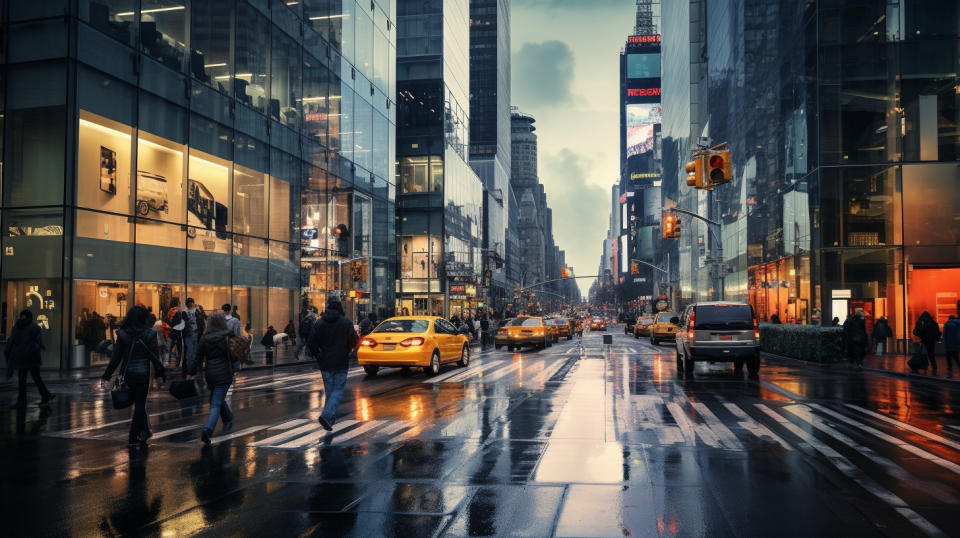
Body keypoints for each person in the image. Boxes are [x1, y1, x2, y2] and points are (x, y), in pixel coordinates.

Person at [101, 306, 165, 445]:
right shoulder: (149, 334)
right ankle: (134, 435)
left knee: (137, 404)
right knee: (140, 404)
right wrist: (160, 374)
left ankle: (143, 431)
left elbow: (116, 358)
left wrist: (106, 376)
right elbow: (154, 357)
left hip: (128, 374)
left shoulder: (123, 334)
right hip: (143, 374)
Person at [307, 296, 359, 431]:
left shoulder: (319, 323)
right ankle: (327, 415)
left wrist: (318, 355)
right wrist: (350, 349)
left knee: (330, 391)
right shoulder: (345, 323)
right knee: (337, 390)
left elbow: (311, 341)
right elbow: (354, 340)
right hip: (341, 360)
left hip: (325, 362)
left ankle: (329, 419)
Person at [187, 311, 234, 445]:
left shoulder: (204, 338)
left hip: (210, 373)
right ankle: (208, 429)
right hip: (225, 372)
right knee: (215, 403)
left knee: (216, 397)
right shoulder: (228, 336)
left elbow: (197, 358)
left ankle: (228, 418)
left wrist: (191, 372)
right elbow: (236, 352)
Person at [6, 310, 54, 408]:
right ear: (30, 317)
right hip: (32, 358)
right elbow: (37, 342)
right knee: (36, 377)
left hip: (21, 357)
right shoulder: (34, 327)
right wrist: (34, 348)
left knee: (22, 380)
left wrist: (9, 352)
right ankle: (45, 395)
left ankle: (22, 400)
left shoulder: (16, 327)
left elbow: (11, 340)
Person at [181, 298, 200, 375]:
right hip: (189, 335)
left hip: (195, 333)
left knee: (194, 352)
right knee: (190, 353)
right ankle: (190, 370)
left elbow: (200, 321)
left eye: (191, 303)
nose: (190, 304)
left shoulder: (197, 311)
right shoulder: (184, 312)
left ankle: (192, 370)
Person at [165, 298, 184, 367]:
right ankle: (177, 363)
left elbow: (167, 321)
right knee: (179, 349)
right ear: (177, 303)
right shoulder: (178, 311)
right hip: (178, 332)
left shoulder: (170, 311)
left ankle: (168, 362)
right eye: (179, 302)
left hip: (171, 331)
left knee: (169, 347)